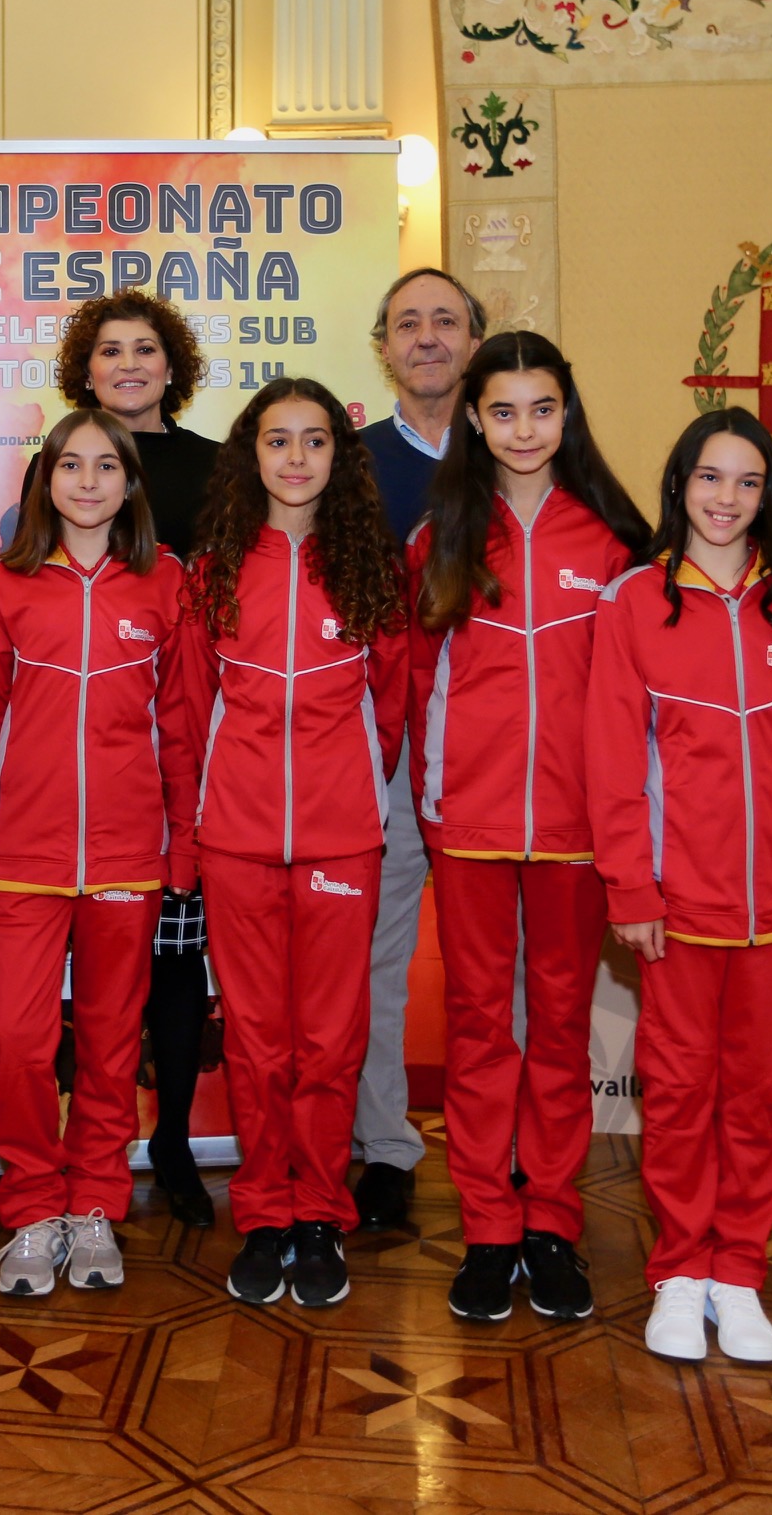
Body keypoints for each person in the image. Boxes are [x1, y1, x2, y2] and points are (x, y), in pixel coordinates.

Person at [587, 408, 772, 1365]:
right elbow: (611, 761)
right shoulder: (634, 600)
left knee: (751, 1098)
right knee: (676, 1095)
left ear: (769, 497)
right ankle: (679, 1269)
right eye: (711, 477)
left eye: (749, 482)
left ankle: (739, 1270)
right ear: (680, 485)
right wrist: (631, 888)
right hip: (676, 909)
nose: (727, 498)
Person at [407, 332, 649, 1325]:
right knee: (477, 1028)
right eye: (502, 411)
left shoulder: (615, 543)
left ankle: (550, 1220)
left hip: (577, 832)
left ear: (566, 414)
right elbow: (419, 683)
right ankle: (487, 1227)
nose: (522, 430)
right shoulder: (442, 538)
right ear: (474, 418)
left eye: (541, 409)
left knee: (558, 1026)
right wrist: (435, 803)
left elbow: (637, 702)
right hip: (467, 825)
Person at [168, 378, 409, 1310]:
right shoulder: (213, 574)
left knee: (330, 1040)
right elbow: (190, 713)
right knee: (259, 1040)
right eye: (279, 440)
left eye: (315, 440)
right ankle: (266, 1211)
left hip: (342, 843)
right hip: (236, 842)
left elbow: (388, 710)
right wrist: (206, 825)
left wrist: (344, 796)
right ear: (252, 454)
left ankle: (320, 1212)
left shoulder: (370, 572)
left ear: (340, 458)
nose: (297, 457)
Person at [0, 409, 197, 1296]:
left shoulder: (165, 584)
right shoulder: (4, 588)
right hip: (24, 853)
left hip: (129, 857)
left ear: (130, 484)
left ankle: (95, 1200)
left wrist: (184, 841)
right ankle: (29, 1205)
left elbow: (183, 724)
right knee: (15, 1039)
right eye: (70, 465)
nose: (88, 482)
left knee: (110, 1040)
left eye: (106, 466)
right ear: (45, 482)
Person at [51, 291, 219, 1227]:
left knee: (176, 963)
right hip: (85, 764)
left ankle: (175, 1140)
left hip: (191, 737)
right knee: (91, 978)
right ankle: (89, 1150)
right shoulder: (60, 462)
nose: (127, 364)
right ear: (86, 367)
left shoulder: (215, 467)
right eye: (109, 350)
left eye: (144, 349)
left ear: (171, 365)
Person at [351, 268, 487, 1229]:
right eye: (409, 323)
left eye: (446, 320)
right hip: (387, 751)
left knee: (500, 970)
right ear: (384, 347)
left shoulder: (518, 447)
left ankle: (503, 1147)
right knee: (376, 960)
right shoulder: (349, 466)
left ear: (475, 339)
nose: (428, 337)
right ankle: (385, 1147)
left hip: (495, 756)